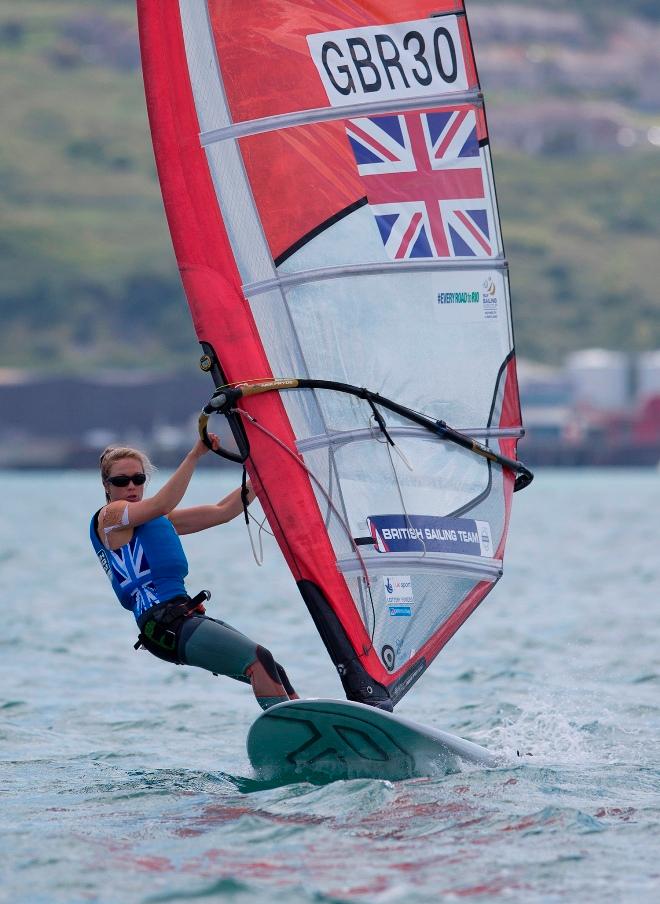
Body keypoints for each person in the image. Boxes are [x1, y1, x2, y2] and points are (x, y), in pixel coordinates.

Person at [90, 436, 298, 710]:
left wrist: (264, 473)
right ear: (106, 485)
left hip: (180, 616)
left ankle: (309, 722)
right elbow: (161, 504)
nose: (131, 486)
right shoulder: (109, 518)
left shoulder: (157, 520)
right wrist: (195, 454)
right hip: (163, 625)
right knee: (257, 660)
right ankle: (289, 733)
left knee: (272, 668)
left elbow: (223, 511)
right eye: (121, 481)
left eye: (138, 479)